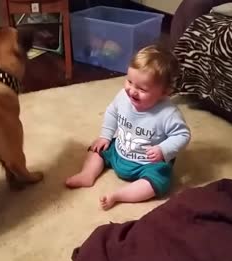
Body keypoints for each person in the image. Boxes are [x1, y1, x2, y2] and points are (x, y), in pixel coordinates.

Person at [65, 44, 191, 210]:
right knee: (97, 148)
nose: (132, 91)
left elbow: (183, 135)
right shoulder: (123, 97)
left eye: (142, 88)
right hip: (120, 149)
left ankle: (119, 195)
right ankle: (87, 174)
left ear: (164, 92)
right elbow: (112, 112)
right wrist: (105, 136)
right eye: (129, 81)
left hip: (147, 163)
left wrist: (163, 149)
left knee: (158, 181)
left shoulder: (168, 113)